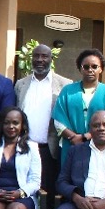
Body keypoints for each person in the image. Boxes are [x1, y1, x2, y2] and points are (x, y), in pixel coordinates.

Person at [14, 44, 70, 192]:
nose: (40, 60)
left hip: (49, 149)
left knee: (50, 192)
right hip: (24, 147)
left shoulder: (65, 85)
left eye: (44, 56)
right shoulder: (21, 84)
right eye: (36, 56)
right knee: (23, 190)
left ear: (51, 59)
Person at [52, 48, 105, 162]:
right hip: (71, 145)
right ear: (80, 68)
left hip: (99, 145)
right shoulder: (67, 91)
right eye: (86, 67)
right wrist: (73, 138)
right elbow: (59, 120)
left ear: (101, 69)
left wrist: (86, 137)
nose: (90, 70)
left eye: (94, 66)